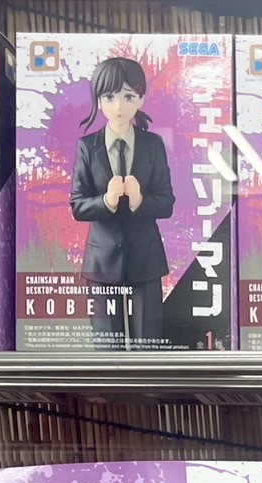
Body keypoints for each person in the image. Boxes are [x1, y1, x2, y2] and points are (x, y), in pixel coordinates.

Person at [71, 57, 175, 351]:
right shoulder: (87, 146)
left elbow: (166, 203)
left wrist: (140, 200)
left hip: (146, 258)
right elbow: (78, 205)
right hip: (102, 261)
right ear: (98, 100)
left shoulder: (153, 144)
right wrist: (106, 200)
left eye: (128, 97)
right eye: (109, 97)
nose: (118, 106)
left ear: (140, 99)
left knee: (148, 349)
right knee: (108, 352)